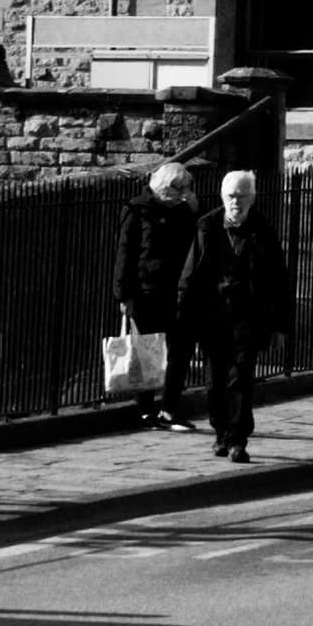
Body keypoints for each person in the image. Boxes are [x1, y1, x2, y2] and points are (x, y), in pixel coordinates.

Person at [192, 162, 291, 460]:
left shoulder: (263, 231)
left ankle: (238, 440)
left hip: (248, 318)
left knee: (241, 380)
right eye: (231, 195)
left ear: (253, 198)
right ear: (222, 197)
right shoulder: (207, 227)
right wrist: (187, 322)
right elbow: (191, 277)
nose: (236, 201)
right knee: (214, 383)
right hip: (213, 317)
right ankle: (220, 431)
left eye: (242, 196)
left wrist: (281, 326)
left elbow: (280, 281)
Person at [111, 160, 203, 428]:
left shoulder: (185, 211)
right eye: (178, 187)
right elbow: (125, 253)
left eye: (185, 187)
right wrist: (123, 295)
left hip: (178, 290)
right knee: (147, 351)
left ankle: (170, 408)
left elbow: (198, 243)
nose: (183, 192)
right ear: (165, 186)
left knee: (180, 350)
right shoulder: (138, 209)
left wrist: (194, 211)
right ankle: (145, 410)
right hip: (146, 291)